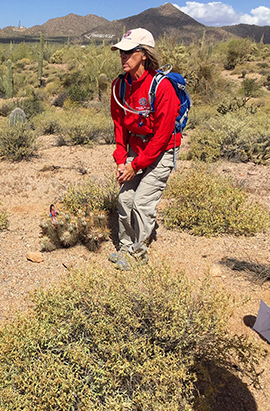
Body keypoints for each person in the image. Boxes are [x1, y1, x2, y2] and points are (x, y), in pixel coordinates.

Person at [109, 28, 181, 270]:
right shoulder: (119, 86)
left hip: (162, 151)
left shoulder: (162, 87)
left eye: (129, 52)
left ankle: (138, 254)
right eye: (121, 52)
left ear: (143, 54)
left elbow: (161, 136)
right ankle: (125, 248)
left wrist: (136, 165)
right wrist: (122, 160)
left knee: (141, 203)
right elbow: (119, 127)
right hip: (136, 149)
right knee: (125, 198)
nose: (123, 56)